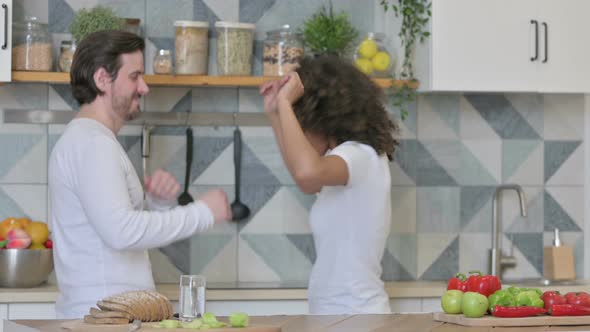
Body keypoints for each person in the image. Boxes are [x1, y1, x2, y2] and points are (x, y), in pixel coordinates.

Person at [48, 30, 231, 319]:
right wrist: (203, 213)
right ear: (102, 79)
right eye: (134, 76)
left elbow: (116, 230)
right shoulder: (93, 144)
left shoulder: (91, 140)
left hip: (110, 317)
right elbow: (121, 232)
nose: (144, 87)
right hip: (106, 319)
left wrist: (157, 204)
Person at [260, 56, 399, 314]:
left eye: (302, 125)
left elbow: (306, 173)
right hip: (336, 314)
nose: (299, 136)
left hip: (356, 315)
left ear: (323, 121)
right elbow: (306, 180)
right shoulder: (345, 162)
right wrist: (275, 114)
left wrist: (284, 103)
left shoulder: (360, 156)